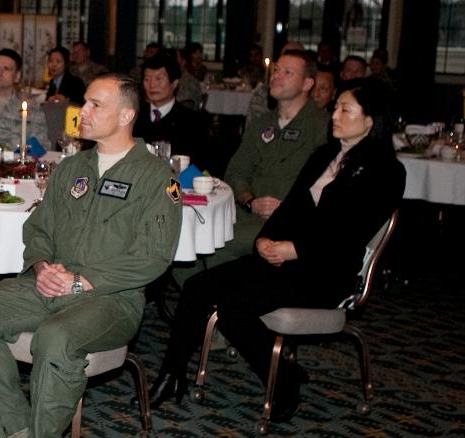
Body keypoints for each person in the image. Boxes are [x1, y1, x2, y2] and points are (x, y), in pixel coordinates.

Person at [0, 74, 181, 438]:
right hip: (50, 283)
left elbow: (153, 257)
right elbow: (38, 227)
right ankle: (18, 434)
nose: (83, 113)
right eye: (84, 104)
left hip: (113, 299)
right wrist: (41, 265)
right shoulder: (72, 168)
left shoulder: (155, 177)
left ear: (127, 115)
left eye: (96, 105)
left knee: (55, 339)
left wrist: (82, 280)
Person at [147, 79, 405, 420]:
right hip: (285, 259)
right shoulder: (325, 155)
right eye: (336, 107)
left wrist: (294, 250)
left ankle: (283, 382)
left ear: (370, 120)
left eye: (345, 109)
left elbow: (350, 234)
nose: (335, 115)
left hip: (327, 271)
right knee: (197, 286)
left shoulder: (386, 171)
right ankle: (172, 374)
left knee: (234, 306)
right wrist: (264, 240)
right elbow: (291, 209)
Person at [187, 48, 328, 280]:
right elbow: (236, 171)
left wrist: (288, 209)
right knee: (188, 236)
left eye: (288, 72)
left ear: (307, 84)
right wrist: (250, 200)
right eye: (276, 70)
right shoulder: (263, 123)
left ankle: (216, 305)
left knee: (214, 243)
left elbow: (325, 189)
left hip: (287, 223)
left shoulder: (321, 128)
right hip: (246, 213)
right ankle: (210, 307)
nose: (276, 76)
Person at [134, 52, 209, 166]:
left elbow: (198, 166)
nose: (152, 85)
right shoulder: (134, 116)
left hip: (176, 182)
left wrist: (171, 184)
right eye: (147, 79)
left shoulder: (192, 121)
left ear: (174, 83)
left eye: (159, 79)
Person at [176, 42, 206, 110]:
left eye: (200, 53)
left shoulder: (202, 69)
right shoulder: (186, 70)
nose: (199, 55)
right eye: (195, 53)